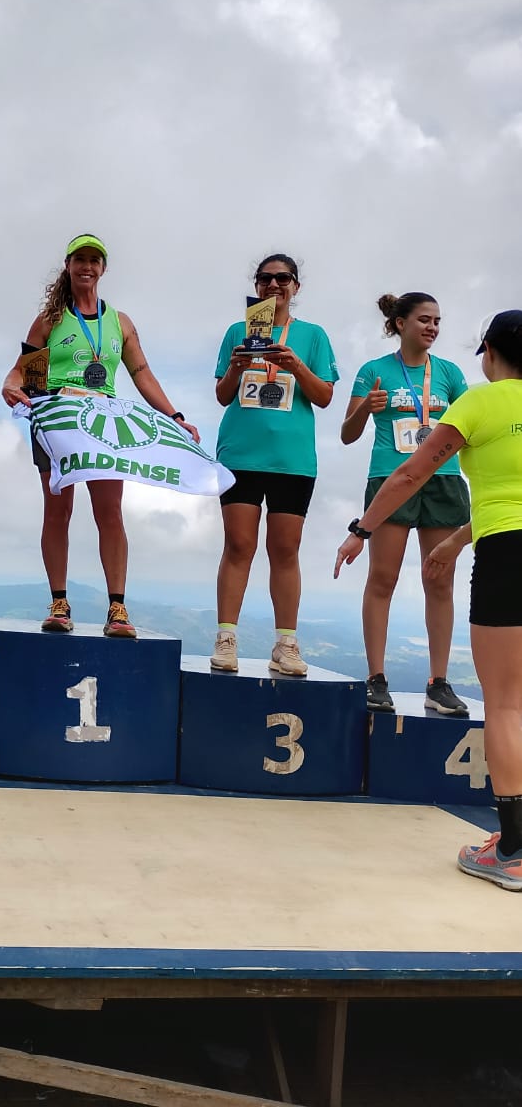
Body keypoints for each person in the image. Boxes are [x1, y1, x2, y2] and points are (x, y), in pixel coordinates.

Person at [335, 310, 522, 893]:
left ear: (488, 352)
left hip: (508, 558)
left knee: (508, 704)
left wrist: (362, 529)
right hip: (494, 534)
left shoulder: (480, 404)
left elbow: (413, 472)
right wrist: (456, 538)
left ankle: (513, 851)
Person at [0, 234, 199, 640]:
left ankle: (118, 607)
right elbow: (23, 371)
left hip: (104, 423)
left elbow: (141, 374)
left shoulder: (120, 322)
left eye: (94, 260)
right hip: (57, 418)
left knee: (109, 513)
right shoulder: (50, 320)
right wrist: (10, 383)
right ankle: (59, 601)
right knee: (58, 511)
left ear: (103, 269)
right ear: (68, 266)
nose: (87, 267)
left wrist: (174, 415)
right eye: (80, 260)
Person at [341, 293, 470, 715]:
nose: (432, 327)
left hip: (443, 480)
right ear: (399, 324)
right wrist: (366, 410)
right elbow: (346, 433)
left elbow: (466, 427)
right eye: (424, 320)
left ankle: (439, 682)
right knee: (383, 578)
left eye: (437, 321)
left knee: (440, 581)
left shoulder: (449, 373)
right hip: (390, 479)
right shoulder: (374, 371)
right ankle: (376, 679)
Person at [210, 253, 338, 675]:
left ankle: (286, 644)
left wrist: (295, 364)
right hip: (241, 453)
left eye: (283, 278)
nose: (273, 285)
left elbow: (323, 396)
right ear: (257, 286)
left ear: (296, 287)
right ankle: (226, 637)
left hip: (292, 460)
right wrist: (235, 365)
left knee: (285, 549)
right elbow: (223, 394)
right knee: (239, 545)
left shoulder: (313, 335)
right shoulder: (237, 331)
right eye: (265, 279)